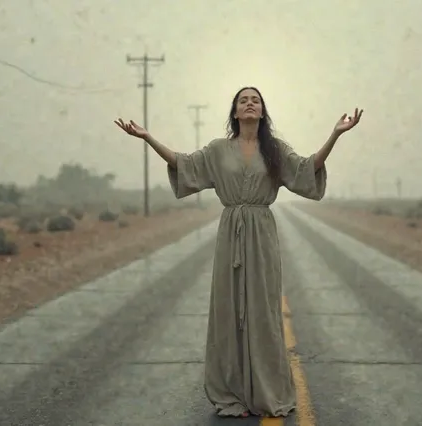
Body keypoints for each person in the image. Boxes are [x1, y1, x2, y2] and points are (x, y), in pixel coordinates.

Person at [114, 87, 362, 418]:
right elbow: (184, 163)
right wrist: (148, 138)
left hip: (261, 233)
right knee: (229, 312)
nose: (249, 104)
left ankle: (265, 391)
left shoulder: (275, 150)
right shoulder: (218, 150)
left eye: (255, 100)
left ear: (262, 112)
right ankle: (232, 394)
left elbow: (306, 169)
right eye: (243, 100)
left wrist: (335, 135)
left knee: (262, 312)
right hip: (230, 232)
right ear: (235, 111)